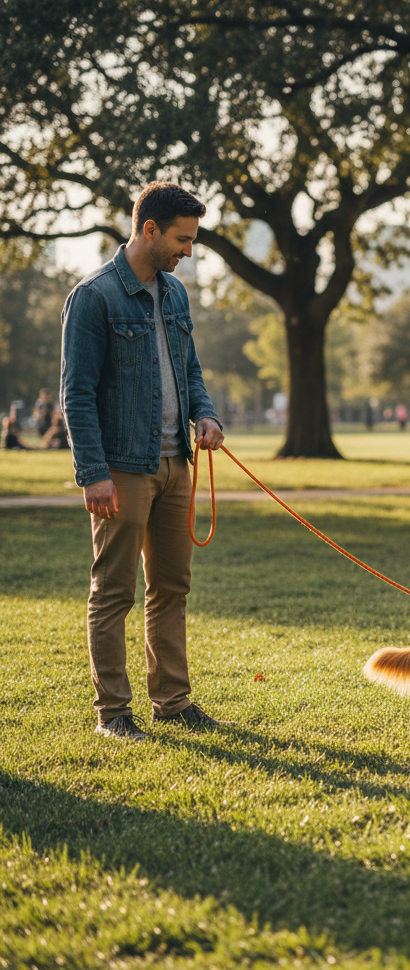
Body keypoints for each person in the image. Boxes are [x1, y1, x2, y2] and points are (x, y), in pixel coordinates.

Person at [60, 181, 225, 743]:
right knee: (113, 592)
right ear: (148, 229)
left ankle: (172, 701)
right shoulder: (94, 297)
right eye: (182, 239)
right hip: (122, 468)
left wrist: (206, 417)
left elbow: (192, 372)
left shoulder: (176, 294)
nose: (188, 250)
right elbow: (76, 393)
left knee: (171, 588)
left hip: (177, 464)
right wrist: (93, 473)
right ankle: (112, 712)